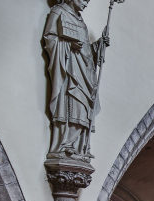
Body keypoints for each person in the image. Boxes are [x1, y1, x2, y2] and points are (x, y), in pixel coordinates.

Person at [44, 0, 108, 159]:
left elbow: (86, 51)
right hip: (71, 72)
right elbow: (50, 39)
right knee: (74, 106)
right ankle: (65, 145)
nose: (86, 3)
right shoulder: (58, 12)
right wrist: (68, 44)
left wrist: (99, 46)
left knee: (85, 109)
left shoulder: (82, 22)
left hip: (85, 73)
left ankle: (80, 149)